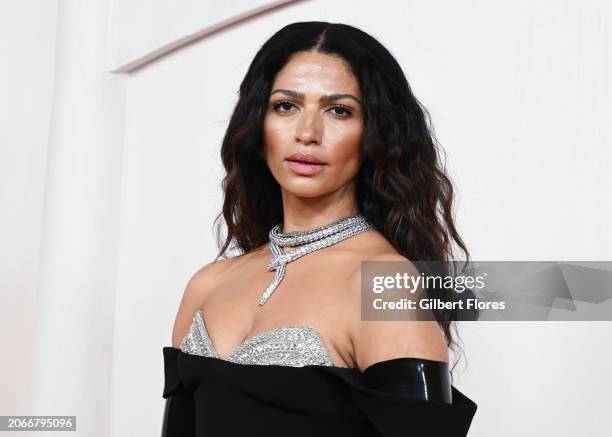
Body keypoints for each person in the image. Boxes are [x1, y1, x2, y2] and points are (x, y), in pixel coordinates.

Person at [162, 21, 477, 436]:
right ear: (259, 122)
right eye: (286, 106)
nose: (308, 133)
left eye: (339, 110)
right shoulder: (206, 285)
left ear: (374, 132)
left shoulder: (385, 284)